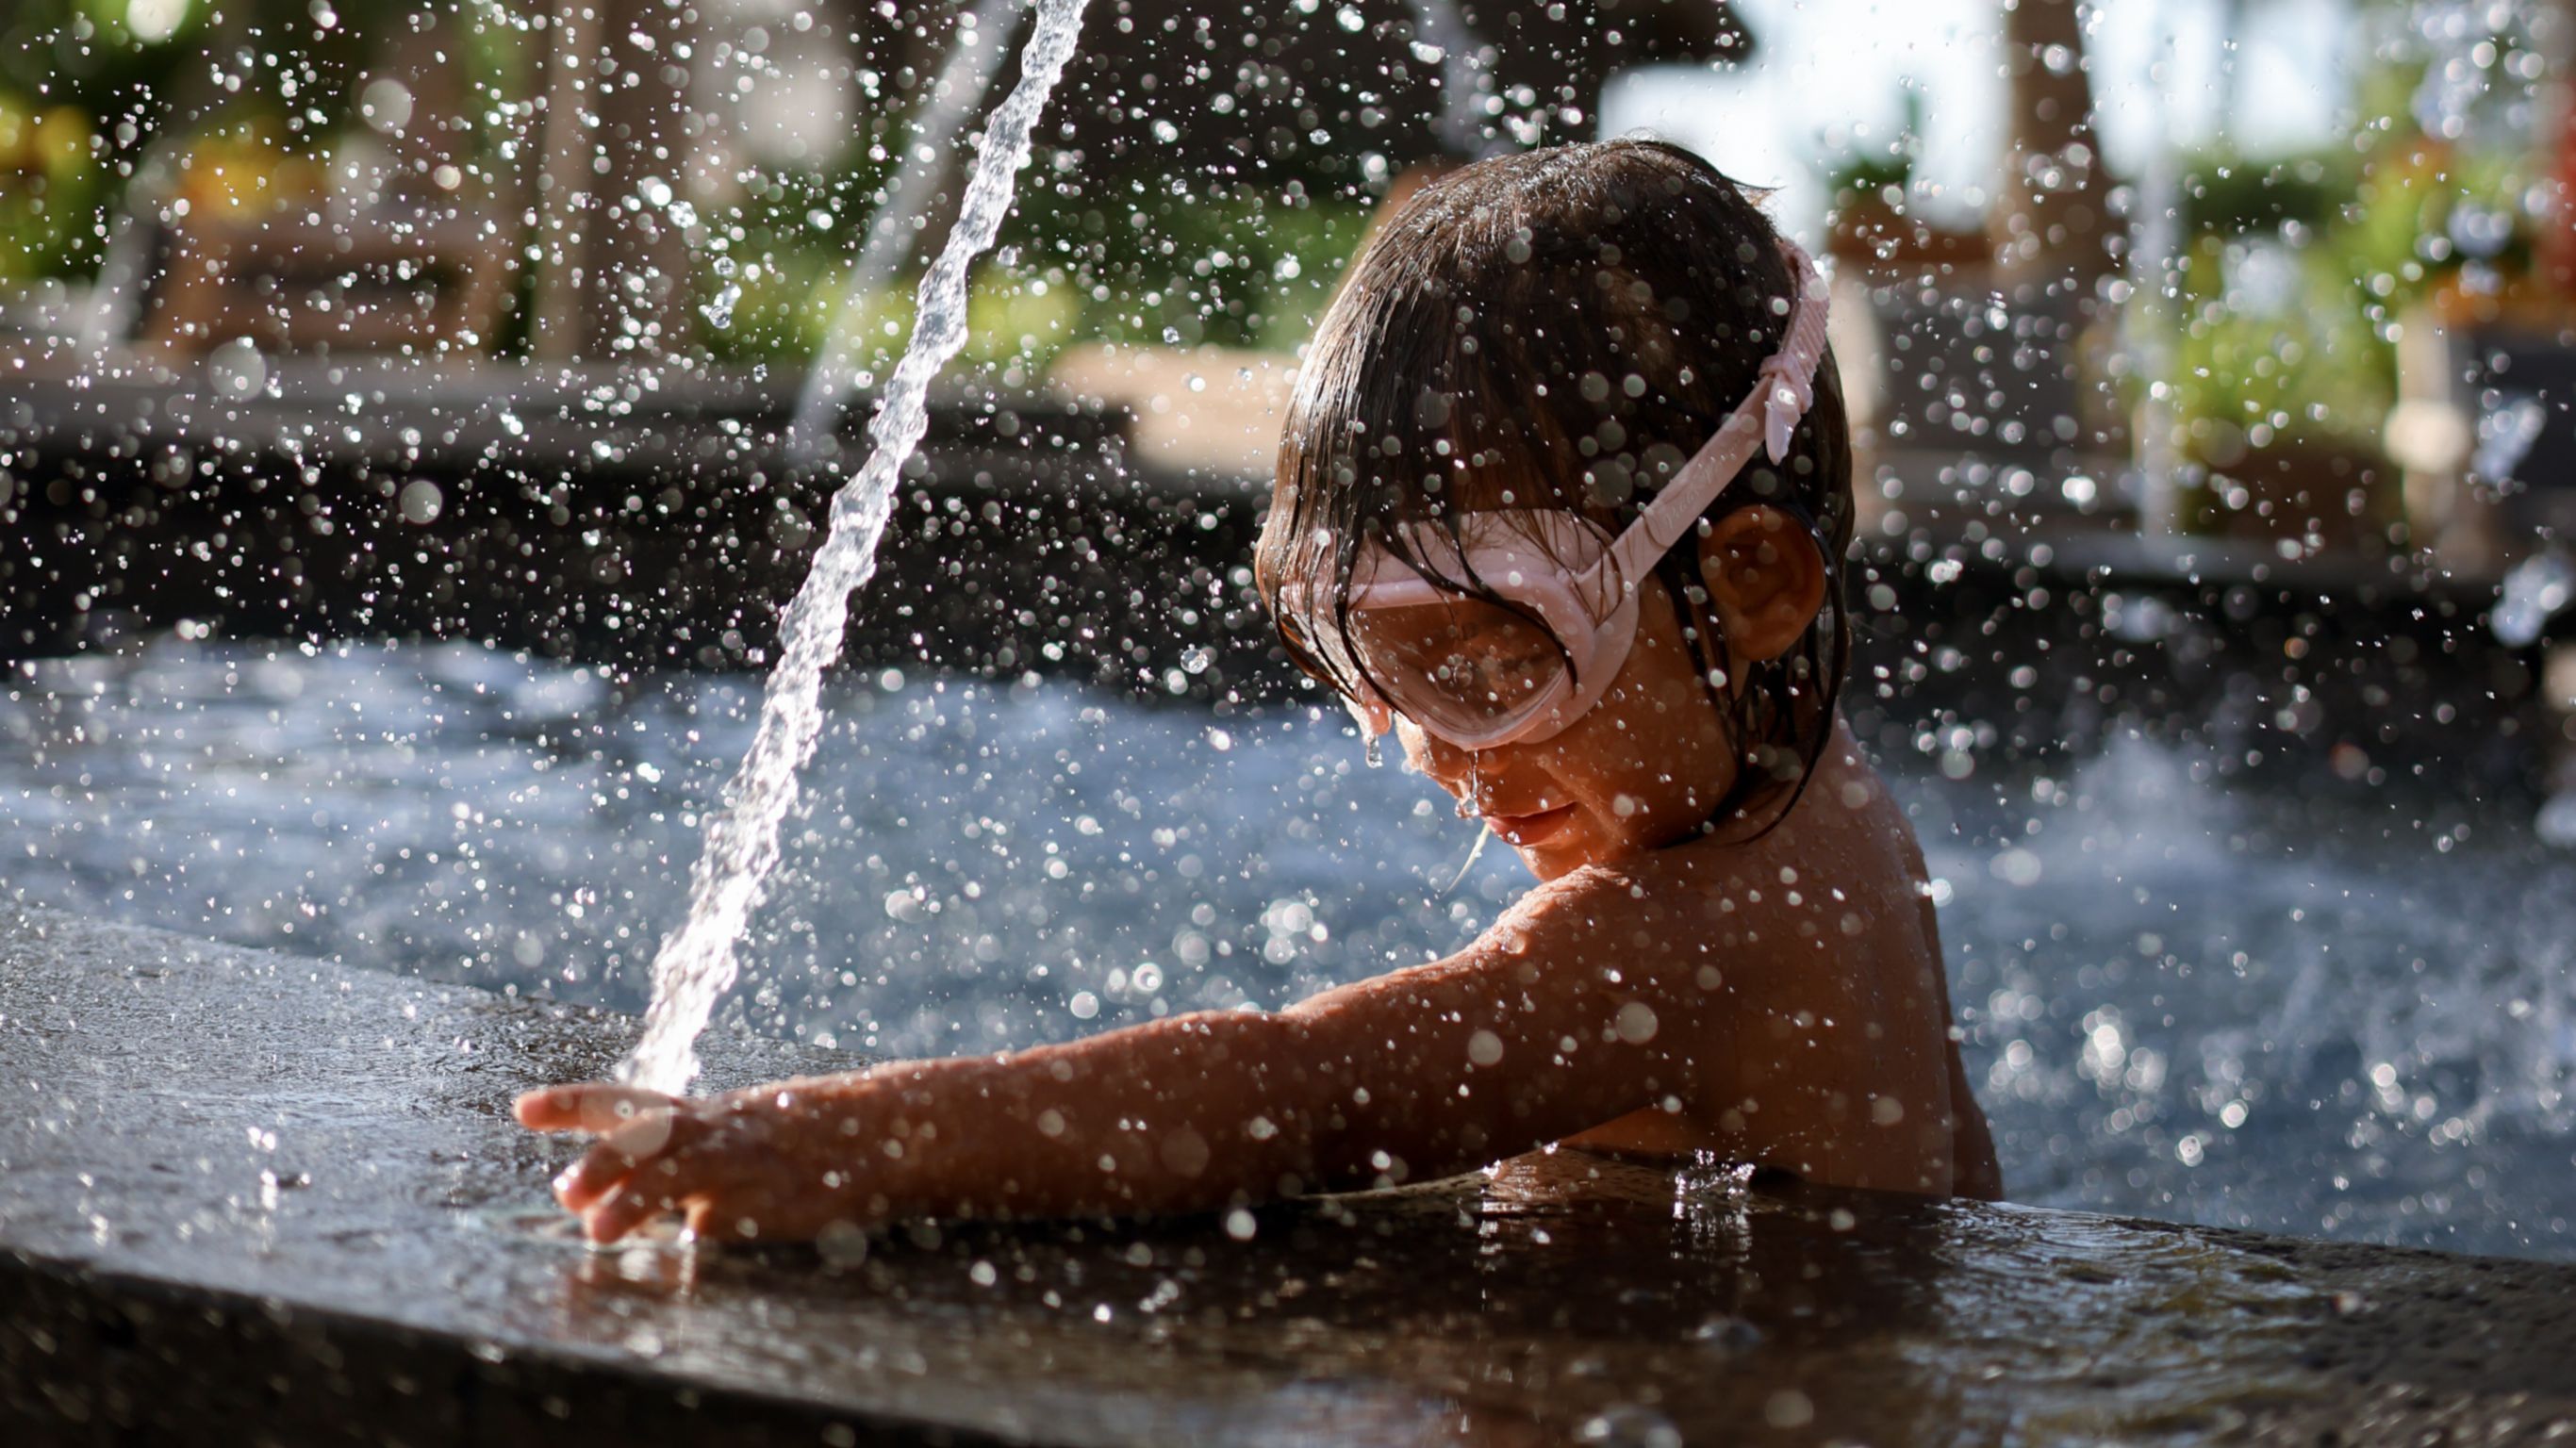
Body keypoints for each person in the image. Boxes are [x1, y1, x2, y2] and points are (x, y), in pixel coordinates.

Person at [518, 140, 2002, 1245]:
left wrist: (846, 1144)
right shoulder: (1827, 818)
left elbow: (1297, 1096)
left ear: (1751, 584)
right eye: (1372, 666)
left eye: (1493, 660)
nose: (1437, 750)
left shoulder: (1692, 928)